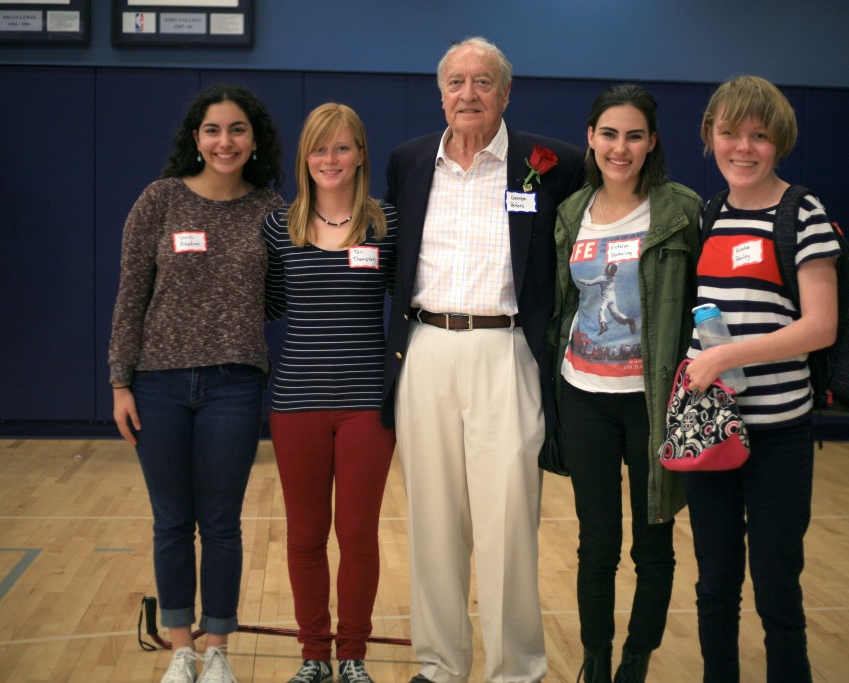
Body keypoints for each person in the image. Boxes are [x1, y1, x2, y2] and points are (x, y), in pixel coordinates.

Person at [382, 36, 585, 683]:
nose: (468, 94)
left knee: (508, 516)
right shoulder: (409, 162)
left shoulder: (551, 164)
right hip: (427, 346)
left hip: (507, 350)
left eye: (482, 82)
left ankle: (514, 669)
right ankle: (439, 663)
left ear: (505, 93)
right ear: (440, 93)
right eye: (456, 83)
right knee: (433, 518)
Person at [109, 83, 283, 683]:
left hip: (235, 383)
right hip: (157, 384)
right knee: (171, 521)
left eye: (237, 129)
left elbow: (281, 297)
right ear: (195, 139)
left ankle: (217, 653)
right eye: (213, 130)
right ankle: (181, 648)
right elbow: (131, 296)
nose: (224, 140)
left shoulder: (271, 209)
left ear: (254, 139)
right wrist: (119, 383)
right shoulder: (159, 200)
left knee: (222, 522)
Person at [681, 75, 840, 683]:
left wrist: (725, 356)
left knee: (776, 587)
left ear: (780, 143)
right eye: (729, 134)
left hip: (778, 436)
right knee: (715, 586)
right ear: (710, 137)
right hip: (712, 433)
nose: (742, 148)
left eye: (759, 136)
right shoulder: (709, 214)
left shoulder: (803, 213)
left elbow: (820, 327)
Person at [547, 84, 702, 683]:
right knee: (597, 543)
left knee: (653, 541)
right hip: (583, 395)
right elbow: (564, 307)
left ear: (652, 143)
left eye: (634, 135)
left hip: (652, 403)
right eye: (609, 134)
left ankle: (636, 660)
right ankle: (596, 657)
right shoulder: (571, 212)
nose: (620, 147)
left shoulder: (679, 210)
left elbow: (698, 304)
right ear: (590, 138)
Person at [262, 103, 397, 683]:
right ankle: (314, 655)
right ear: (305, 158)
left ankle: (354, 658)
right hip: (296, 403)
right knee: (306, 535)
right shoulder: (278, 226)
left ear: (361, 154)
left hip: (368, 404)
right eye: (320, 148)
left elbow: (409, 309)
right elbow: (267, 304)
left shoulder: (386, 224)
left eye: (342, 147)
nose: (330, 159)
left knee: (358, 534)